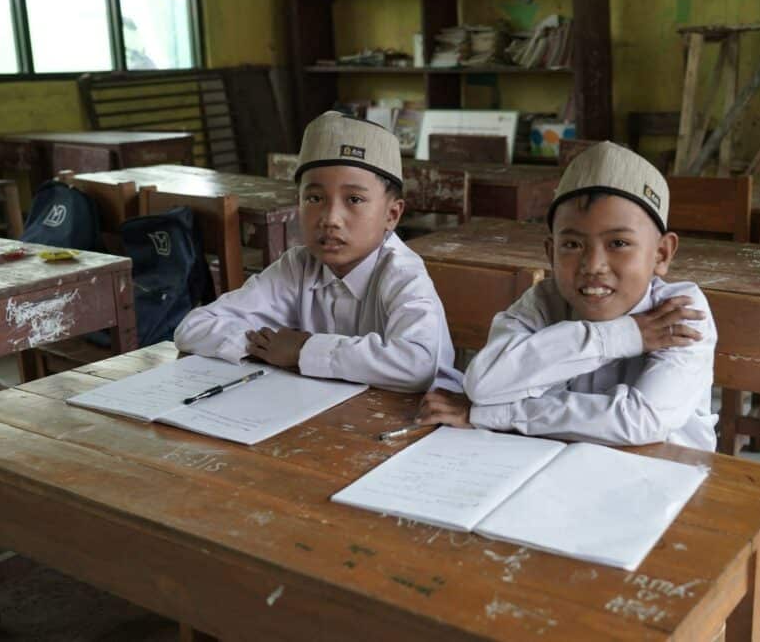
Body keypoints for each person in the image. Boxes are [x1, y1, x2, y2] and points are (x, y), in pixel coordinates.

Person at [419, 141, 717, 449]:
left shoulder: (679, 313)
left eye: (618, 243)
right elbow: (483, 384)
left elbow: (639, 421)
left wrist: (492, 415)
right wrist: (624, 335)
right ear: (550, 252)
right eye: (573, 245)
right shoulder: (545, 301)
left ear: (661, 254)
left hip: (668, 477)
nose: (593, 266)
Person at [174, 111, 462, 393]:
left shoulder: (402, 273)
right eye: (314, 198)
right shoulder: (298, 265)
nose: (331, 218)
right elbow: (192, 328)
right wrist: (266, 347)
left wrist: (303, 351)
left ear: (392, 214)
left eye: (354, 199)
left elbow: (418, 364)